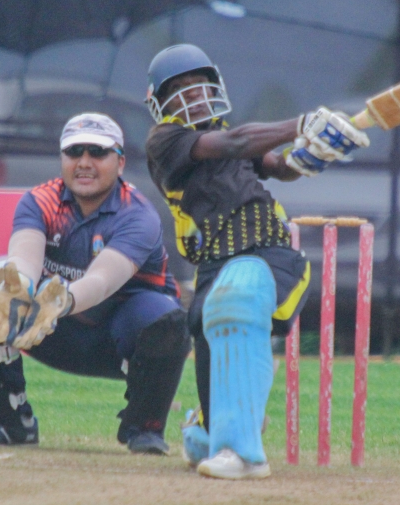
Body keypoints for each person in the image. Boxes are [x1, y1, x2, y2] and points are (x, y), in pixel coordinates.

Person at [144, 44, 370, 479]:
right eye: (180, 89)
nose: (193, 96)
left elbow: (277, 167)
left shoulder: (229, 137)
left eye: (199, 86)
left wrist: (307, 156)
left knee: (238, 296)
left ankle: (243, 454)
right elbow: (236, 141)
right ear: (160, 101)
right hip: (214, 269)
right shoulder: (167, 141)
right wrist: (301, 123)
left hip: (266, 254)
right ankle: (208, 430)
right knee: (206, 435)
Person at [0, 113, 189, 455]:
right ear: (62, 159)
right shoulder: (39, 200)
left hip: (122, 337)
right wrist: (18, 288)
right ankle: (12, 422)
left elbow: (102, 280)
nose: (84, 163)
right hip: (54, 332)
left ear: (120, 163)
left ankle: (144, 427)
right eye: (74, 152)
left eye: (97, 153)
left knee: (166, 317)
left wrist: (58, 303)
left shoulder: (138, 214)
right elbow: (24, 260)